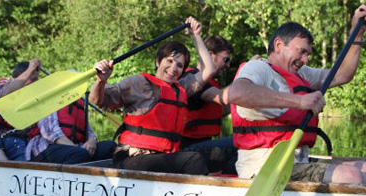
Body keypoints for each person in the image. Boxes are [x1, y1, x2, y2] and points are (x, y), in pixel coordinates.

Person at [228, 5, 366, 185]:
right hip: (263, 169)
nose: (305, 60)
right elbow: (236, 92)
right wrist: (299, 101)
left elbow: (343, 74)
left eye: (308, 54)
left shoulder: (302, 74)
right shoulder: (259, 68)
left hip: (296, 164)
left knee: (365, 168)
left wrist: (358, 35)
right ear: (278, 45)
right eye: (301, 52)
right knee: (349, 176)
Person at [89, 17, 215, 175]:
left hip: (161, 158)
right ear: (157, 62)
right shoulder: (139, 83)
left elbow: (208, 70)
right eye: (169, 61)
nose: (173, 68)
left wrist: (195, 35)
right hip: (131, 158)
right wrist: (101, 81)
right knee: (194, 159)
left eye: (179, 65)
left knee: (210, 155)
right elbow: (96, 100)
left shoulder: (181, 88)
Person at [180, 35, 238, 174]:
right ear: (211, 55)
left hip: (201, 146)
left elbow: (223, 109)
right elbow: (223, 99)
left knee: (241, 157)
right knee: (239, 142)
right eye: (226, 59)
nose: (228, 65)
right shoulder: (194, 80)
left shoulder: (212, 84)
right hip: (187, 151)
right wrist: (245, 76)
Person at [25, 93, 116, 164]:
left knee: (110, 147)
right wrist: (79, 149)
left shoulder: (78, 106)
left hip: (75, 149)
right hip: (45, 150)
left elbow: (90, 133)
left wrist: (92, 141)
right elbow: (53, 135)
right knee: (79, 154)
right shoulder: (50, 101)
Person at [0, 59, 41, 161]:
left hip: (22, 141)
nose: (34, 83)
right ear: (22, 75)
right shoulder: (4, 83)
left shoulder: (34, 95)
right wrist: (31, 68)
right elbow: (3, 95)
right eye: (32, 79)